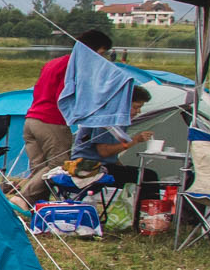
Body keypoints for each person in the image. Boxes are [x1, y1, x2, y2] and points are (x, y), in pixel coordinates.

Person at [23, 84, 153, 202]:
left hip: (102, 165)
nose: (138, 112)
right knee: (147, 176)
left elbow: (110, 155)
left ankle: (145, 214)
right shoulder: (105, 119)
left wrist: (121, 166)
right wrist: (135, 141)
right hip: (87, 166)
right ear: (124, 103)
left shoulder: (119, 120)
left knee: (141, 175)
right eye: (136, 107)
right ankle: (151, 216)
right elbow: (103, 151)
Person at [23, 27, 112, 185]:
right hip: (51, 122)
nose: (102, 58)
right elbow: (64, 98)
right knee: (57, 168)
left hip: (31, 120)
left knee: (39, 168)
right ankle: (22, 199)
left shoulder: (54, 63)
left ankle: (32, 206)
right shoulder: (73, 67)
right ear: (91, 51)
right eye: (102, 52)